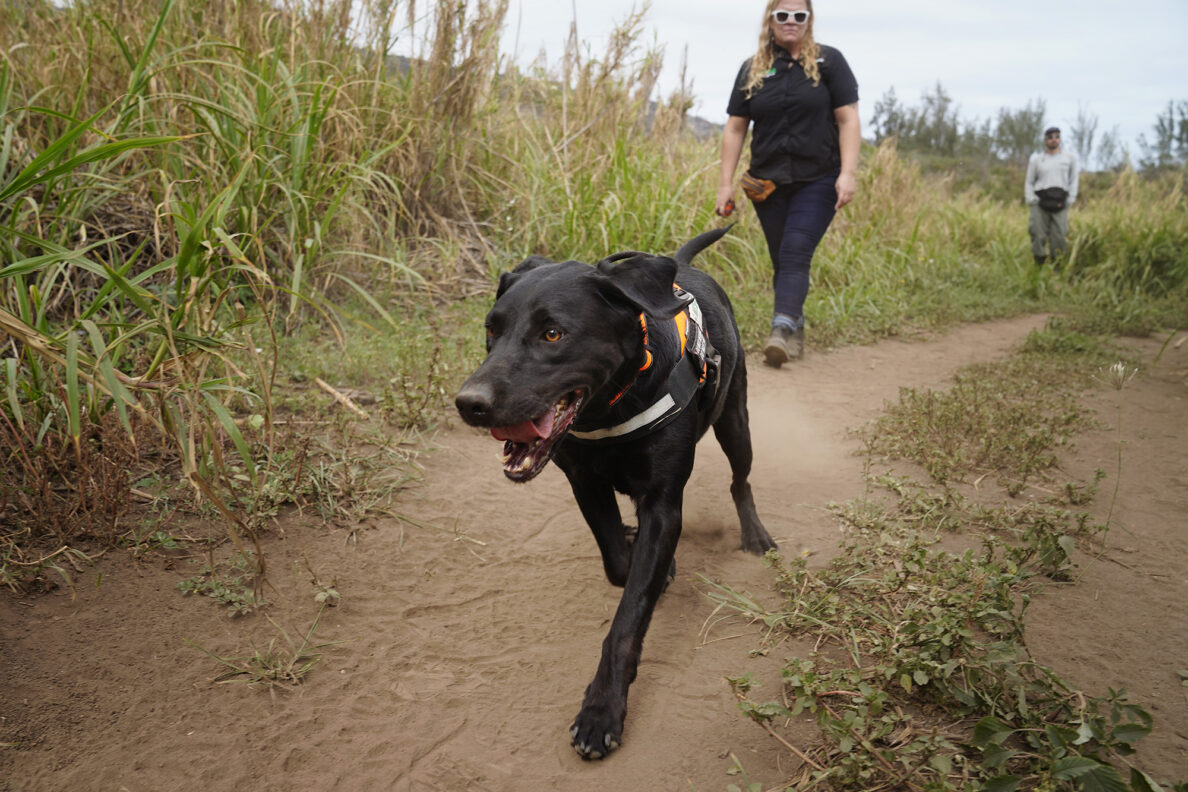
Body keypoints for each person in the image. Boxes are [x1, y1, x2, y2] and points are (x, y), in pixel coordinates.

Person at [715, 0, 860, 368]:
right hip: (768, 183)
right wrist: (725, 184)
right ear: (771, 20)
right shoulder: (753, 69)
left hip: (819, 178)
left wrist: (848, 173)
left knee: (796, 250)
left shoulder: (830, 63)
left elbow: (848, 119)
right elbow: (735, 127)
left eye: (800, 15)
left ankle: (779, 330)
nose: (791, 22)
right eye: (783, 15)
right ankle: (795, 327)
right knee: (784, 259)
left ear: (809, 21)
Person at [1024, 126, 1079, 265]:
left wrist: (1071, 198)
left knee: (1060, 235)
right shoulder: (1037, 160)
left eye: (1057, 137)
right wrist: (1031, 199)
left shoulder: (1069, 158)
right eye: (1050, 137)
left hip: (1061, 200)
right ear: (1045, 140)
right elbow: (1029, 181)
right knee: (1037, 233)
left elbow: (1074, 179)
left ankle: (1057, 265)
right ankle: (1039, 263)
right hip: (1041, 200)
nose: (1054, 140)